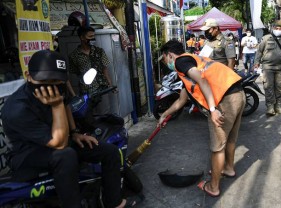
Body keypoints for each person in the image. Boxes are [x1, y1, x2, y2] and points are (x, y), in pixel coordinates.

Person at [1, 50, 140, 208]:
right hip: (29, 152)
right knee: (66, 155)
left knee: (110, 151)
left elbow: (66, 104)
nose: (52, 87)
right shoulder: (17, 108)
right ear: (29, 75)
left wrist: (75, 133)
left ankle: (113, 203)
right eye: (45, 81)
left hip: (59, 140)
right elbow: (58, 143)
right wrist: (56, 105)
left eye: (57, 81)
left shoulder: (58, 87)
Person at [158, 40, 245, 197]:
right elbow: (181, 101)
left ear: (169, 55)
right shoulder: (192, 62)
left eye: (164, 59)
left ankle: (213, 187)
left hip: (224, 100)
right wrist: (165, 114)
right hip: (238, 93)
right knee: (230, 138)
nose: (165, 63)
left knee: (217, 147)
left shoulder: (180, 61)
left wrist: (213, 110)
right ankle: (228, 168)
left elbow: (202, 80)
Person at [67, 26, 115, 113]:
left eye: (93, 36)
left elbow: (105, 69)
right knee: (90, 116)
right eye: (90, 37)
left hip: (101, 89)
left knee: (105, 113)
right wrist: (74, 95)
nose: (93, 38)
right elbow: (73, 74)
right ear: (82, 37)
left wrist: (110, 85)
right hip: (86, 92)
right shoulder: (74, 56)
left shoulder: (99, 51)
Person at [254, 20, 281, 116]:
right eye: (276, 28)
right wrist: (256, 63)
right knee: (268, 87)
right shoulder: (266, 38)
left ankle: (278, 106)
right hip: (268, 67)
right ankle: (270, 107)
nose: (278, 30)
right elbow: (259, 51)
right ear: (273, 28)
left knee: (279, 87)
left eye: (280, 29)